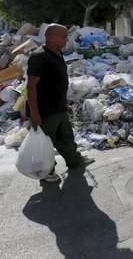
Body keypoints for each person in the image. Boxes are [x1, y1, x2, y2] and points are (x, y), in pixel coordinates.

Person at [27, 24, 94, 182]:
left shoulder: (57, 53)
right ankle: (47, 172)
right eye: (63, 36)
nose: (67, 39)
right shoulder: (39, 57)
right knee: (46, 143)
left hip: (59, 107)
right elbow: (30, 87)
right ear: (51, 37)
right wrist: (34, 113)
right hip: (44, 111)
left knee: (66, 137)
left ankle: (74, 161)